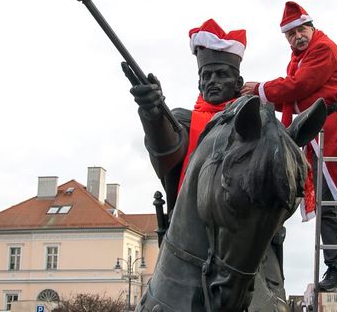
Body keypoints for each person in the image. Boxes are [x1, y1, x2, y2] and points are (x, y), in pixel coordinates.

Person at [123, 18, 289, 307]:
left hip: (249, 247)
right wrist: (153, 113)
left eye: (221, 74)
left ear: (238, 83)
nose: (212, 81)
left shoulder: (260, 123)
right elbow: (167, 154)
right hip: (189, 244)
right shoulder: (183, 120)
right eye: (206, 75)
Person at [241, 1, 337, 295]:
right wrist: (258, 98)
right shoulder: (299, 59)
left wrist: (260, 89)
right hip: (318, 133)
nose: (297, 36)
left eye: (301, 29)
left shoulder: (324, 50)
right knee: (326, 204)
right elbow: (292, 97)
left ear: (311, 27)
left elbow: (298, 87)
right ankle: (335, 267)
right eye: (290, 34)